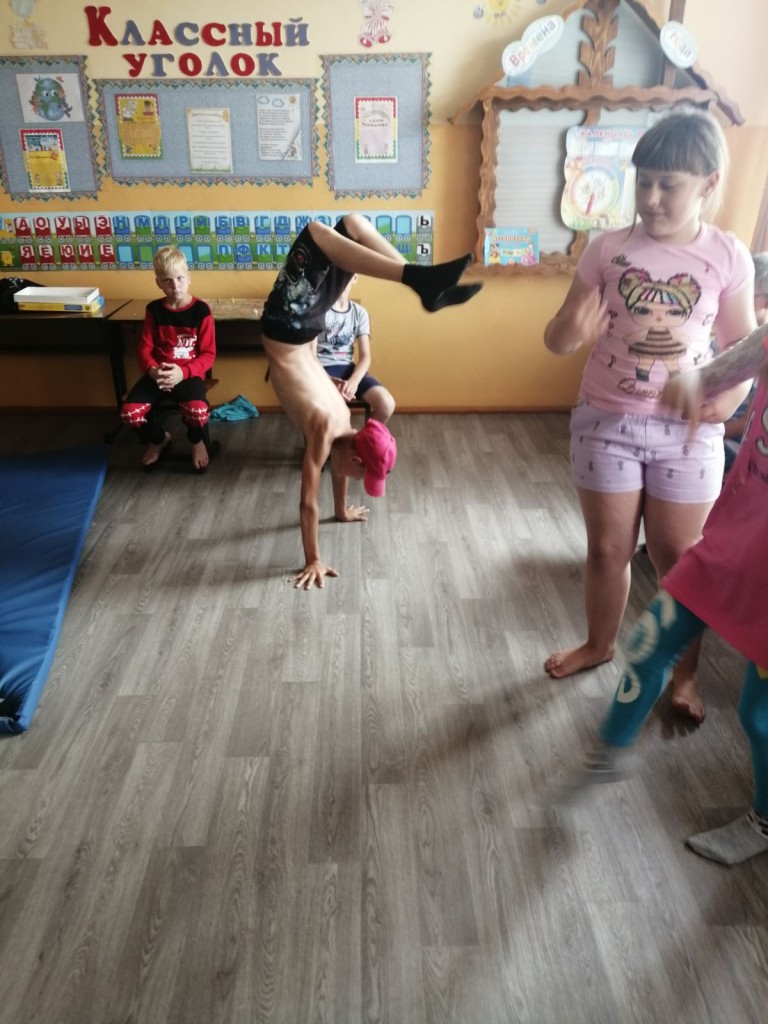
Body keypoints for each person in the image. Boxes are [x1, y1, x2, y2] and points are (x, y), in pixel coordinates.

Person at [543, 110, 756, 725]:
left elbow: (746, 348)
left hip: (687, 433)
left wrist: (729, 402)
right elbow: (558, 339)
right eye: (643, 182)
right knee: (608, 550)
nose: (651, 198)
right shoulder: (608, 248)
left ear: (708, 184)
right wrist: (572, 327)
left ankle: (684, 674)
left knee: (679, 558)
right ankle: (599, 645)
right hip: (606, 421)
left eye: (668, 184)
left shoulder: (727, 255)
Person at [581, 318, 768, 864]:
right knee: (649, 642)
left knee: (758, 715)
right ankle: (605, 758)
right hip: (733, 538)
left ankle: (764, 821)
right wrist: (686, 386)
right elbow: (715, 375)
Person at [261, 212, 481, 590]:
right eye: (362, 474)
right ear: (356, 458)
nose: (357, 479)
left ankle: (421, 282)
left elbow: (326, 482)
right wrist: (315, 555)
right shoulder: (331, 428)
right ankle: (422, 282)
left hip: (300, 325)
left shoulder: (337, 423)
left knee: (338, 229)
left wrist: (337, 519)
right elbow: (312, 498)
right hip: (291, 325)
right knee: (337, 228)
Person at [120, 246, 216, 471]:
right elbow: (144, 349)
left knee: (198, 411)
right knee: (129, 414)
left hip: (188, 374)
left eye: (180, 278)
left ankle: (197, 440)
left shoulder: (202, 311)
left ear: (189, 278)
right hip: (158, 375)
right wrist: (153, 371)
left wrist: (183, 372)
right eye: (167, 281)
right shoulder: (154, 310)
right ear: (158, 283)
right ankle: (159, 439)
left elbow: (208, 355)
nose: (175, 286)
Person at [314, 273, 395, 423]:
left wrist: (353, 382)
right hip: (321, 371)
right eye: (337, 273)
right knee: (336, 414)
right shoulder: (317, 311)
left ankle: (364, 437)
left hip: (350, 370)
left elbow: (365, 357)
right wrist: (329, 381)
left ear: (355, 278)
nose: (341, 279)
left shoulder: (360, 313)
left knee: (386, 405)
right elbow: (309, 357)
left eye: (347, 274)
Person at [723, 252, 768, 472]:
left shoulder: (763, 351)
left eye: (748, 292)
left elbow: (745, 424)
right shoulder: (727, 336)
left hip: (736, 442)